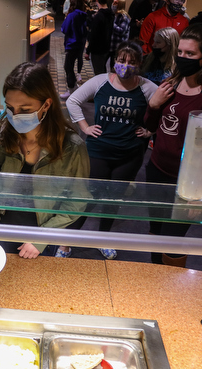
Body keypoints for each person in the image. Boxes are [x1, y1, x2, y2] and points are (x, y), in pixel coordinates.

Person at [0, 62, 91, 259]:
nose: (15, 116)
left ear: (46, 105)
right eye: (10, 108)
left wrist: (42, 238)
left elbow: (76, 203)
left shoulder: (71, 147)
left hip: (46, 229)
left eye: (25, 109)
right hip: (5, 225)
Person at [143, 23, 202, 267]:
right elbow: (151, 127)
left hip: (186, 183)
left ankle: (167, 287)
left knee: (172, 241)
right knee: (155, 233)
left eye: (190, 54)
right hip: (156, 169)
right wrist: (153, 105)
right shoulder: (173, 82)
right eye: (180, 52)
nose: (182, 58)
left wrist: (199, 196)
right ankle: (152, 278)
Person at [62, 41, 157, 259]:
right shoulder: (101, 81)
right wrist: (84, 126)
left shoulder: (146, 87)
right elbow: (73, 101)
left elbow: (165, 108)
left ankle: (103, 238)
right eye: (122, 60)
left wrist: (150, 130)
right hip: (98, 151)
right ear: (115, 61)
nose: (125, 65)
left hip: (129, 154)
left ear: (140, 64)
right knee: (88, 197)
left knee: (113, 200)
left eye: (132, 62)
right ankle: (66, 242)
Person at [60, 0, 87, 99]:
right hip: (80, 43)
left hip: (71, 44)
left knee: (68, 67)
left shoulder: (71, 15)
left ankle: (71, 89)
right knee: (74, 63)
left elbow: (64, 29)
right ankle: (74, 86)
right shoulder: (84, 15)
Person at [85, 0, 114, 75]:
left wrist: (88, 51)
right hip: (106, 47)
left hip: (97, 49)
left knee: (98, 72)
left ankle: (101, 86)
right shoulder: (111, 14)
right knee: (102, 69)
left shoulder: (98, 16)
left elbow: (94, 35)